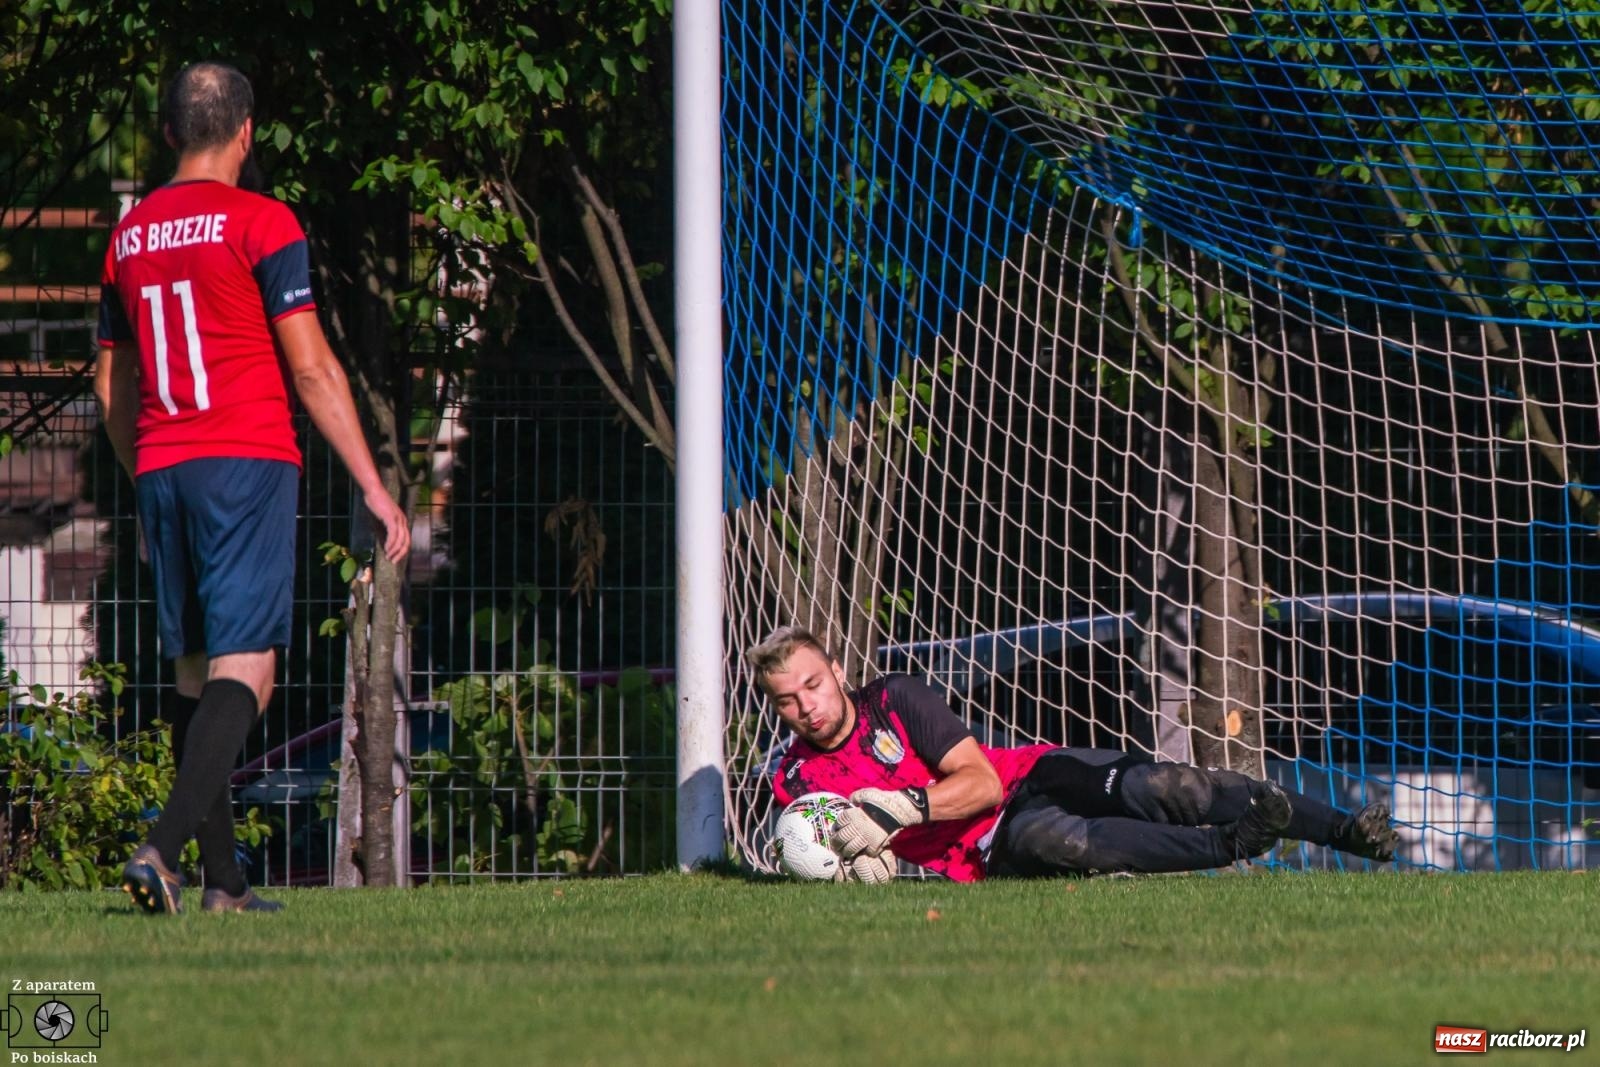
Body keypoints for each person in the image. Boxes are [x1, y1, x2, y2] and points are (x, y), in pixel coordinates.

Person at [95, 61, 410, 915]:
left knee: (196, 671)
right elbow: (309, 367)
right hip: (244, 457)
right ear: (245, 133)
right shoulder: (261, 222)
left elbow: (108, 385)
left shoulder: (128, 236)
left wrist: (146, 466)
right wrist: (375, 489)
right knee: (250, 666)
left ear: (167, 135)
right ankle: (162, 848)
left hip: (163, 462)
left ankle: (224, 884)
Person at [749, 626, 1400, 882]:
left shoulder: (896, 697)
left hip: (1025, 775)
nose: (808, 705)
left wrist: (897, 810)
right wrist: (850, 870)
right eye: (788, 699)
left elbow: (977, 782)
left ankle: (1349, 831)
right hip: (988, 848)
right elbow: (820, 852)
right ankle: (1233, 845)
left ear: (837, 669)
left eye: (813, 683)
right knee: (1074, 844)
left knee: (1164, 786)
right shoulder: (794, 777)